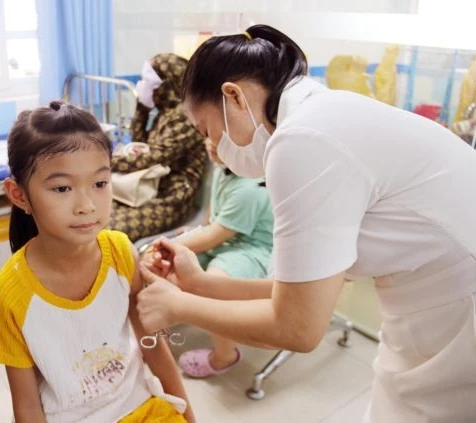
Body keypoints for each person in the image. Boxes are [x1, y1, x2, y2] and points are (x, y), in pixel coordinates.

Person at [135, 24, 476, 423]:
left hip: (457, 314)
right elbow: (305, 292)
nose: (216, 151)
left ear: (233, 96)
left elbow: (298, 327)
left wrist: (179, 306)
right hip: (431, 306)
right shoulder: (322, 116)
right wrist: (201, 283)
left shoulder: (302, 142)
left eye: (208, 130)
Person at [0, 101, 194, 422]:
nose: (86, 205)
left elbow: (152, 344)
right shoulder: (11, 294)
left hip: (143, 409)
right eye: (62, 188)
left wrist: (188, 415)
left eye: (100, 183)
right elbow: (26, 406)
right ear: (20, 195)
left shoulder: (121, 251)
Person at [145, 138, 274, 378]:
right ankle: (157, 341)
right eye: (208, 135)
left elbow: (216, 235)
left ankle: (225, 356)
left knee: (215, 286)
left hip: (251, 249)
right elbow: (212, 218)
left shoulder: (249, 188)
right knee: (161, 271)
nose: (211, 144)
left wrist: (169, 245)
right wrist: (193, 234)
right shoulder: (223, 169)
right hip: (223, 238)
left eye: (222, 140)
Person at [109, 53, 207, 242]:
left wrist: (105, 163)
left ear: (167, 84)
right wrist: (142, 108)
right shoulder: (165, 112)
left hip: (170, 198)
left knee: (110, 230)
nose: (142, 85)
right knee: (96, 217)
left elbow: (154, 157)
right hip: (146, 187)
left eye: (147, 80)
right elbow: (140, 144)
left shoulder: (185, 116)